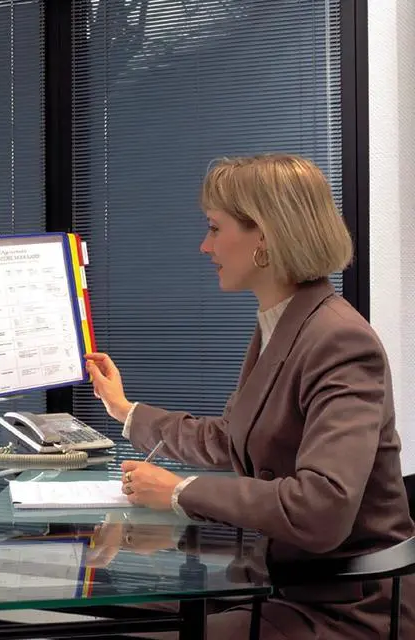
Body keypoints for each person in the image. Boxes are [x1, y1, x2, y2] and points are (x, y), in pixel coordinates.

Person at [84, 154, 415, 640]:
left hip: (343, 607)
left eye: (215, 228)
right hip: (279, 581)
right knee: (109, 615)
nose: (205, 245)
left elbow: (321, 506)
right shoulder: (282, 322)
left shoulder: (339, 339)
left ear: (264, 235)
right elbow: (231, 437)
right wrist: (125, 410)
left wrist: (179, 491)